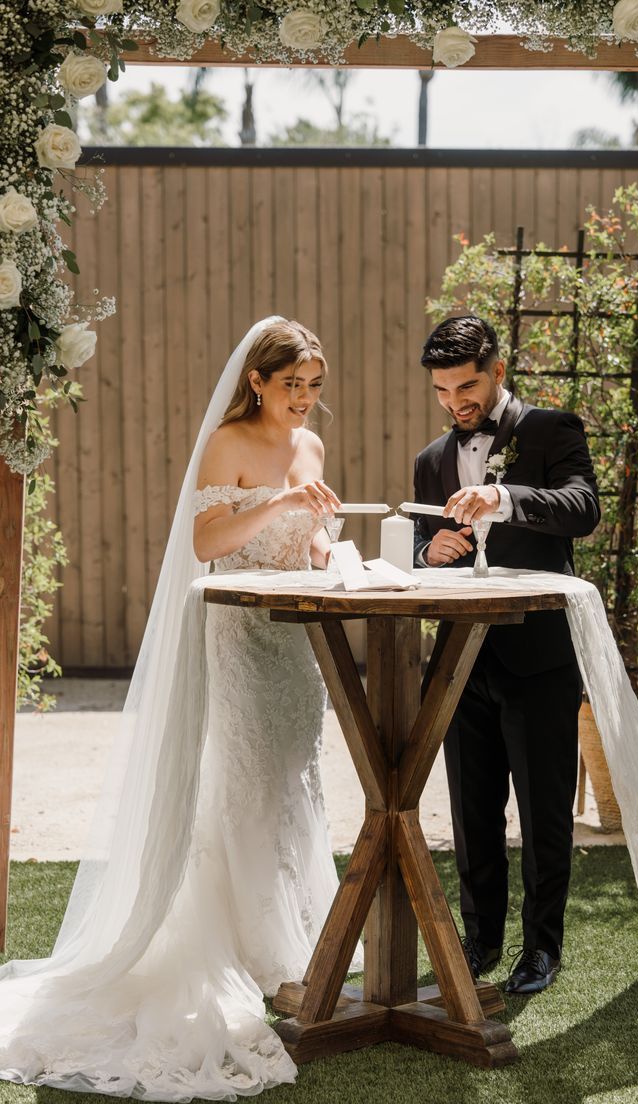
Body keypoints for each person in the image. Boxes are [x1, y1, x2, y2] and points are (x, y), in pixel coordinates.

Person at [0, 317, 358, 1099]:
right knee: (241, 787)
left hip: (297, 643)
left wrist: (329, 548)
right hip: (235, 638)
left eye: (313, 386)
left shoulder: (313, 447)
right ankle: (264, 962)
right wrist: (281, 502)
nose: (303, 399)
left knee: (294, 781)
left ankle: (300, 943)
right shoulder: (229, 441)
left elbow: (309, 542)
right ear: (257, 381)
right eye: (290, 384)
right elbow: (205, 543)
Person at [412, 314, 600, 995]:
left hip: (539, 659)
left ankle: (541, 950)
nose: (455, 403)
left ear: (497, 371)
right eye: (442, 390)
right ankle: (480, 940)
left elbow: (583, 508)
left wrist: (504, 496)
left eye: (466, 386)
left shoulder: (551, 430)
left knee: (543, 813)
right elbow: (418, 557)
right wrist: (430, 553)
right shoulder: (430, 461)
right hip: (460, 663)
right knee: (471, 813)